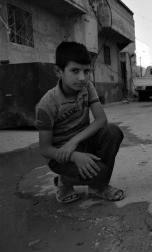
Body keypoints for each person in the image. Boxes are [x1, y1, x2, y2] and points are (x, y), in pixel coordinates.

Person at [35, 42, 125, 203]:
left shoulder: (87, 87)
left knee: (113, 132)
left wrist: (74, 142)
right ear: (58, 71)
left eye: (86, 71)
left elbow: (101, 120)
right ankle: (65, 181)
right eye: (75, 71)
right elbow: (45, 149)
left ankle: (99, 187)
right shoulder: (47, 104)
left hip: (82, 143)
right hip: (60, 156)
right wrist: (73, 155)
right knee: (99, 171)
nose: (82, 78)